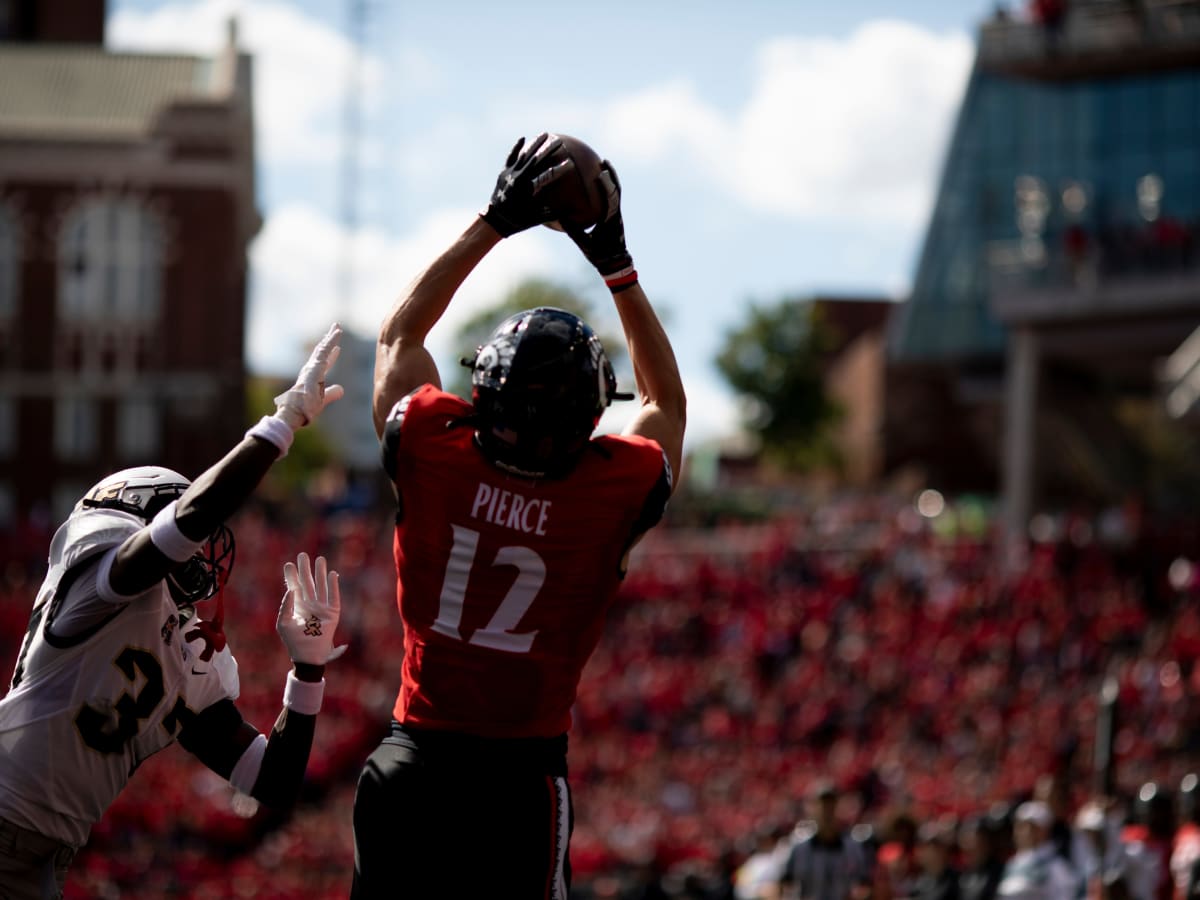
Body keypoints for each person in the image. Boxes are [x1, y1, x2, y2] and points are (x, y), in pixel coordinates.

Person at [352, 132, 686, 898]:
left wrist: (494, 221)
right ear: (593, 413)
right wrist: (616, 264)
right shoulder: (608, 491)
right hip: (518, 779)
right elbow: (664, 403)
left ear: (485, 392)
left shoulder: (435, 449)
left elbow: (400, 335)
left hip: (413, 763)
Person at [0, 325, 346, 899]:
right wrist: (281, 424)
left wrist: (307, 667)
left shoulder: (183, 653)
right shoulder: (98, 581)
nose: (207, 548)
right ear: (132, 514)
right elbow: (182, 525)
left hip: (47, 848)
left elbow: (272, 781)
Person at [773, 780, 873, 900]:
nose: (826, 810)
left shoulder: (853, 848)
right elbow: (784, 884)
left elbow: (864, 884)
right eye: (822, 805)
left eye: (830, 805)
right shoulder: (799, 849)